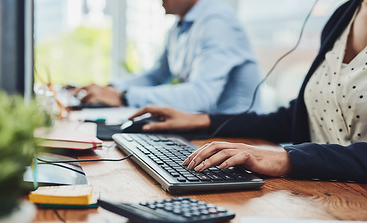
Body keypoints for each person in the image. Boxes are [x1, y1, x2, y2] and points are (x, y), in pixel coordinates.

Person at [128, 0, 367, 183]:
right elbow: (294, 118)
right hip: (320, 192)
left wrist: (288, 158)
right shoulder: (343, 16)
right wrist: (201, 121)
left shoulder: (216, 20)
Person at [73, 0, 261, 114]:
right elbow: (155, 76)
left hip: (238, 137)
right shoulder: (178, 28)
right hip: (207, 130)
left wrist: (123, 97)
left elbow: (201, 96)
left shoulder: (217, 21)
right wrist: (111, 89)